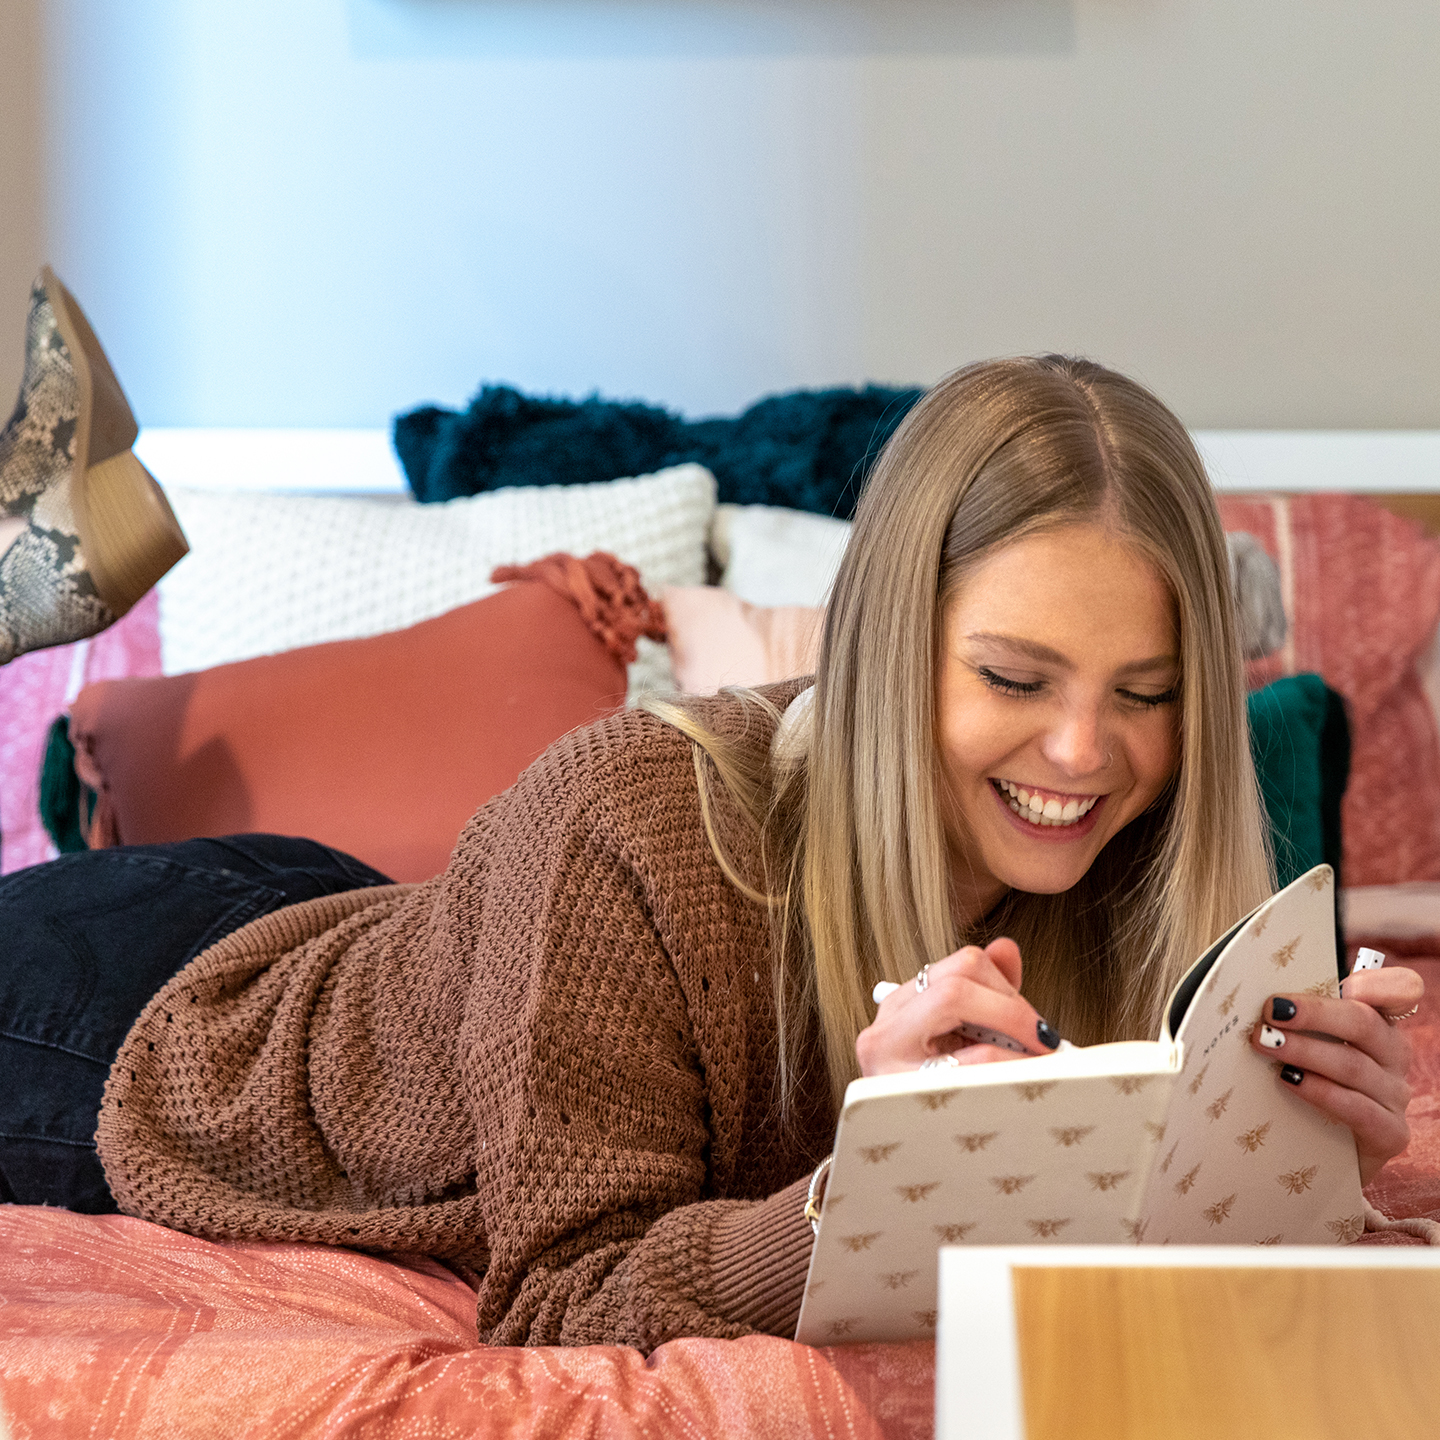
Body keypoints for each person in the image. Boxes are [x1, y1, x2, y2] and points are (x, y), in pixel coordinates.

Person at [0, 352, 1423, 1352]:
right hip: (155, 1032)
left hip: (408, 949)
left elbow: (1134, 1218)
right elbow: (563, 1302)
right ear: (884, 650)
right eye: (1012, 677)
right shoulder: (631, 826)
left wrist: (1299, 1158)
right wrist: (868, 1191)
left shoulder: (1161, 854)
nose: (1081, 755)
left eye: (1148, 693)